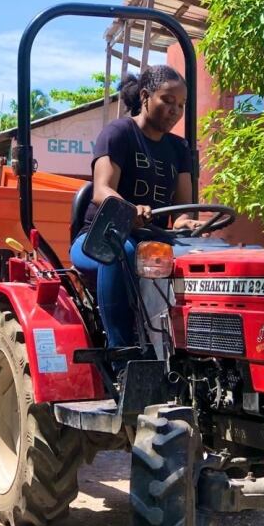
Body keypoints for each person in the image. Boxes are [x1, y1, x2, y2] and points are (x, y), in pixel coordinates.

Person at [70, 65, 205, 348]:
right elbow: (101, 190)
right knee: (125, 251)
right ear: (145, 96)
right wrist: (129, 209)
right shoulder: (119, 133)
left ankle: (192, 346)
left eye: (180, 105)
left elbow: (183, 207)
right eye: (167, 101)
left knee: (206, 255)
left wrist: (185, 222)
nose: (175, 111)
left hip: (154, 239)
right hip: (101, 238)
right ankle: (121, 350)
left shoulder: (179, 149)